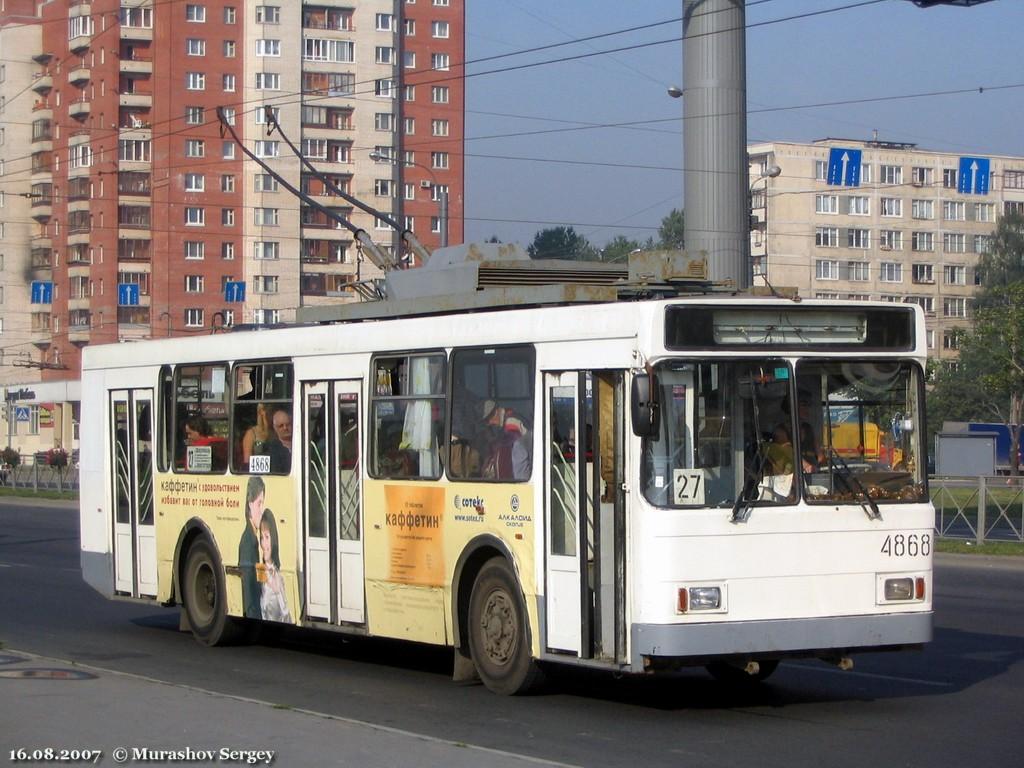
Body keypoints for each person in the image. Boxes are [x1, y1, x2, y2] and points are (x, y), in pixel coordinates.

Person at [238, 477, 265, 619]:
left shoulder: (256, 539)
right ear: (250, 504)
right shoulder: (248, 542)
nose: (262, 510)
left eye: (263, 504)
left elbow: (260, 583)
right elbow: (250, 593)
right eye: (259, 504)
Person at [258, 508, 291, 623]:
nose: (264, 544)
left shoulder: (278, 575)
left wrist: (277, 591)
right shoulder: (261, 570)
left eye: (267, 537)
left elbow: (286, 615)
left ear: (274, 539)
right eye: (262, 538)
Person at [266, 406, 292, 473]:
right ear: (275, 428)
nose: (285, 428)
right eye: (281, 426)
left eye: (288, 424)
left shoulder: (302, 444)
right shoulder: (272, 449)